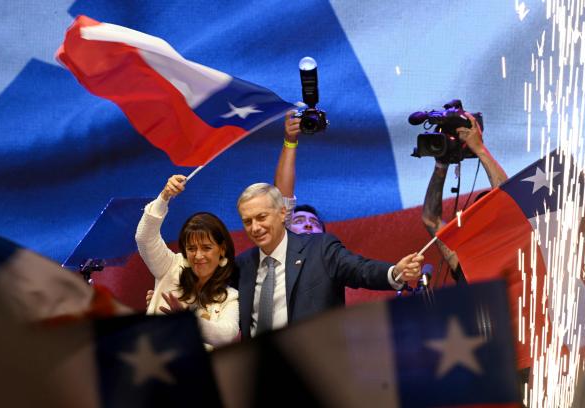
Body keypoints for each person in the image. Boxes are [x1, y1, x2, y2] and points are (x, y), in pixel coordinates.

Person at [235, 182, 424, 339]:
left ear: (283, 213)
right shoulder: (243, 265)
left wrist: (395, 272)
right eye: (247, 221)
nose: (255, 228)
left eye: (261, 217)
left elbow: (359, 269)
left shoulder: (320, 248)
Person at [136, 175, 239, 348]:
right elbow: (144, 238)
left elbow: (226, 335)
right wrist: (164, 197)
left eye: (206, 248)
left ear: (222, 249)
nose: (198, 256)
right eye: (191, 249)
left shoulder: (229, 297)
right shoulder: (170, 266)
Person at [421, 113, 508, 283]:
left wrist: (480, 149)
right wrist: (441, 164)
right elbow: (430, 220)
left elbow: (506, 200)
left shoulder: (512, 250)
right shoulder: (465, 263)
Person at [275, 110, 325, 234]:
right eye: (298, 221)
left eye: (315, 223)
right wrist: (290, 141)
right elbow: (282, 200)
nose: (308, 225)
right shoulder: (281, 243)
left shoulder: (338, 253)